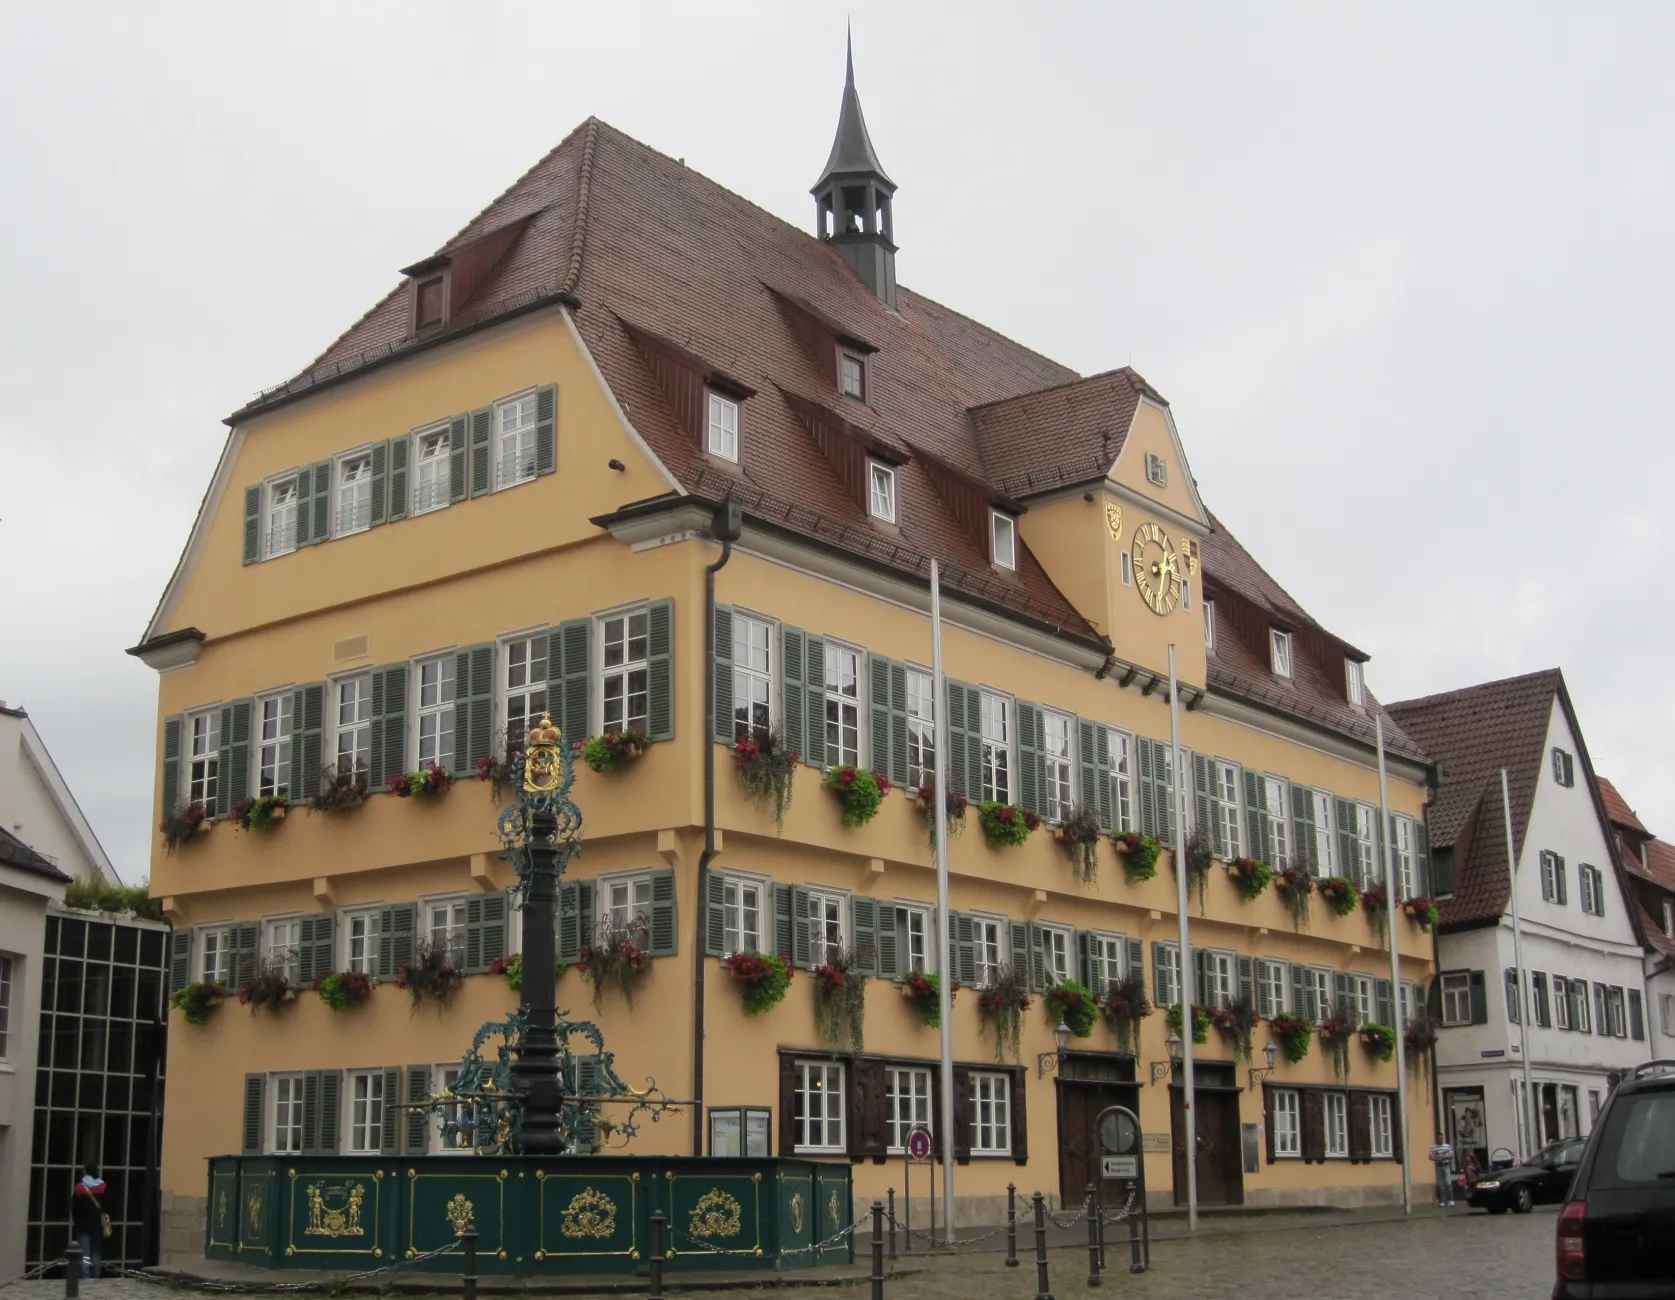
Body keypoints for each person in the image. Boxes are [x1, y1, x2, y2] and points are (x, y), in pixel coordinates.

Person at [69, 1162, 107, 1277]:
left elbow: (74, 1208)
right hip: (98, 1226)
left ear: (85, 1172)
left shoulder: (79, 1188)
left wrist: (77, 1221)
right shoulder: (103, 1187)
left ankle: (86, 1277)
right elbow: (108, 1206)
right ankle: (96, 1274)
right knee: (96, 1253)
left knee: (85, 1255)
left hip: (83, 1226)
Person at [1428, 1139, 1456, 1207]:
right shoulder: (1433, 1148)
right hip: (1438, 1166)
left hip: (1446, 1166)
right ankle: (1442, 1201)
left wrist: (1444, 1157)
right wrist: (1436, 1158)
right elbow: (1430, 1156)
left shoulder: (1447, 1146)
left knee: (1448, 1183)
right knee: (1440, 1185)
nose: (1440, 1140)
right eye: (1439, 1138)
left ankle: (1450, 1200)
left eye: (1441, 1138)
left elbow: (1451, 1155)